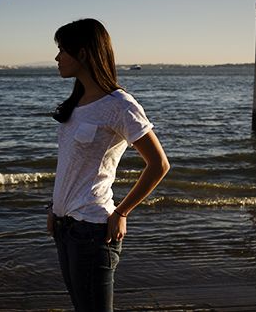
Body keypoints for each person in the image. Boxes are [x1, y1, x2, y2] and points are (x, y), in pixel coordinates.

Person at [47, 18, 170, 311]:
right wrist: (53, 209)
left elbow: (158, 164)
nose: (57, 57)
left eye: (63, 49)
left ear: (84, 54)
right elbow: (69, 166)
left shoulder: (120, 105)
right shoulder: (76, 104)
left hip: (92, 230)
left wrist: (122, 211)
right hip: (65, 229)